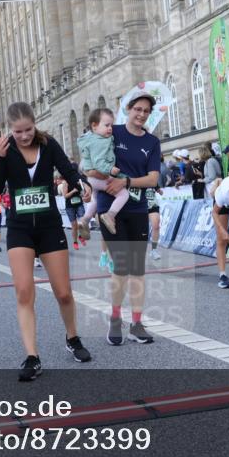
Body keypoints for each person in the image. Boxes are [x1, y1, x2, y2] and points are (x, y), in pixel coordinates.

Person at [0, 101, 92, 381]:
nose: (24, 136)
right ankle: (32, 357)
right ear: (10, 129)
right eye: (18, 131)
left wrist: (82, 184)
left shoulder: (48, 144)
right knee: (24, 291)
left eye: (28, 129)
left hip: (48, 226)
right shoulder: (5, 150)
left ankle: (72, 338)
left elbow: (68, 170)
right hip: (20, 227)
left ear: (35, 124)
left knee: (63, 293)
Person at [92, 87, 161, 347]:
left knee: (138, 270)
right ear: (128, 110)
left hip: (137, 210)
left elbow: (153, 178)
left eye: (146, 111)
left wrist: (127, 182)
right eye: (137, 109)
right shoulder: (114, 132)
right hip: (111, 212)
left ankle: (137, 323)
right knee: (121, 267)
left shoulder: (151, 142)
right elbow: (90, 156)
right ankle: (114, 319)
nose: (141, 114)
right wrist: (95, 180)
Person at [78, 108, 130, 235]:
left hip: (92, 180)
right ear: (94, 126)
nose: (110, 128)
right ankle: (110, 215)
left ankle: (85, 220)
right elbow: (98, 162)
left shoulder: (89, 138)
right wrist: (110, 169)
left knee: (95, 200)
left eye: (111, 125)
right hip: (100, 176)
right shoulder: (100, 142)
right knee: (123, 194)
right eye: (107, 125)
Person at [58, 175, 86, 251]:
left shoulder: (78, 181)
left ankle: (80, 235)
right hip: (70, 206)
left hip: (79, 204)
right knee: (74, 225)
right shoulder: (65, 183)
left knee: (82, 221)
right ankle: (75, 242)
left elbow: (83, 192)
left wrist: (83, 193)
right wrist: (73, 191)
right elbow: (65, 196)